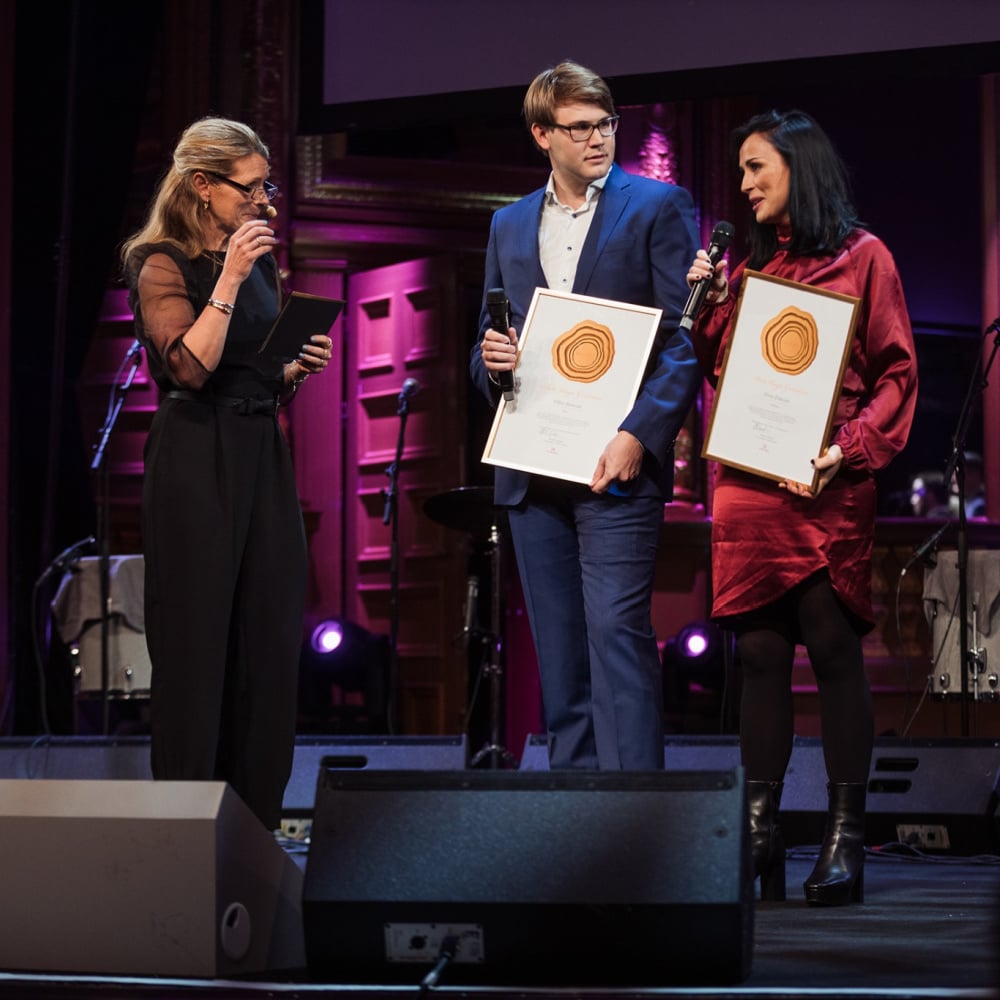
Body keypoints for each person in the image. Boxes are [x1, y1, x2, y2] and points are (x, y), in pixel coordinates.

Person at [687, 110, 918, 905]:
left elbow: (897, 373)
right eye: (742, 171)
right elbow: (720, 373)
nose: (745, 185)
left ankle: (845, 840)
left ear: (800, 167)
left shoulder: (865, 258)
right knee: (756, 656)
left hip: (826, 485)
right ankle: (758, 839)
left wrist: (847, 450)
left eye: (758, 168)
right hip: (751, 489)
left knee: (829, 647)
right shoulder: (748, 272)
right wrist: (711, 302)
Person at [470, 61, 701, 770]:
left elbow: (685, 339)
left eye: (605, 123)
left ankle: (638, 824)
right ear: (543, 134)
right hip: (533, 466)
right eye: (579, 127)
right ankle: (575, 819)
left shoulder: (657, 207)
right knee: (561, 654)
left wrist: (640, 433)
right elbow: (485, 341)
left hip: (615, 462)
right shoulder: (509, 224)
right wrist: (492, 360)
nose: (598, 138)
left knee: (617, 634)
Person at [121, 117, 333, 831]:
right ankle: (185, 832)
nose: (263, 202)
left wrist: (290, 370)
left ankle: (255, 829)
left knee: (267, 646)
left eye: (267, 186)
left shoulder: (266, 263)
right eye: (250, 187)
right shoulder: (159, 260)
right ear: (203, 186)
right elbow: (190, 364)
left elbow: (250, 368)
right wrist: (232, 275)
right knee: (197, 647)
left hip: (260, 453)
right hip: (193, 457)